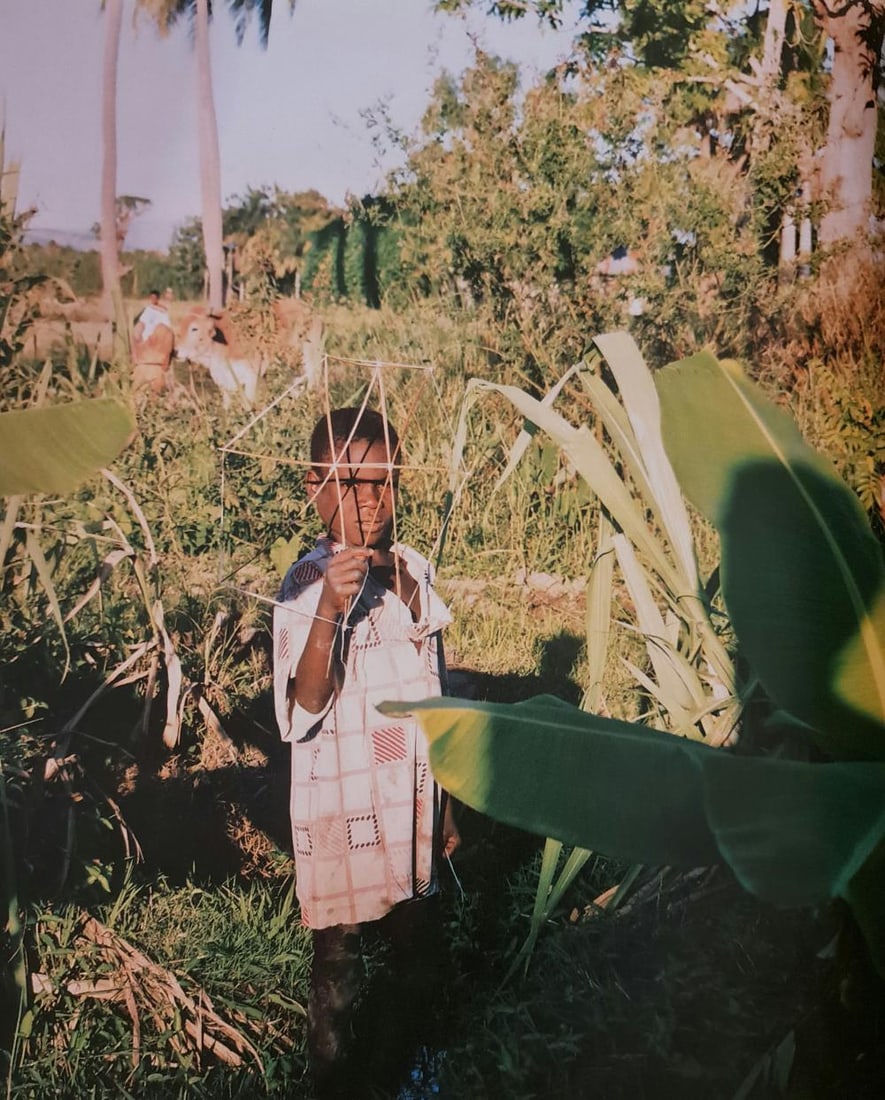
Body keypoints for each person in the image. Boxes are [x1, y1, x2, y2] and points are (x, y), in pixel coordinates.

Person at [272, 407, 459, 1097]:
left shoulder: (412, 570)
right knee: (339, 961)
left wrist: (445, 804)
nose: (370, 501)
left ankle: (408, 1066)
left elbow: (434, 688)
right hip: (340, 800)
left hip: (408, 793)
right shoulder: (300, 586)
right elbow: (307, 702)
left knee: (416, 943)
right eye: (351, 485)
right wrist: (330, 605)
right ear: (313, 485)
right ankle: (331, 1077)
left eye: (384, 483)